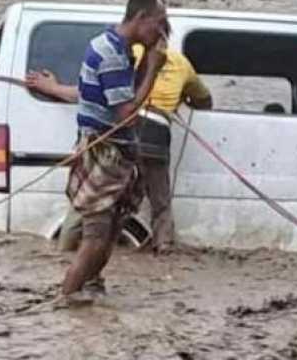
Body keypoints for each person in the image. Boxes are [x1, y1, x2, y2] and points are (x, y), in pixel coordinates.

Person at [27, 20, 212, 256]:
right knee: (160, 202)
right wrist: (183, 99)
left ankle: (65, 250)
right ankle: (164, 248)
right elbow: (205, 101)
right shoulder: (182, 64)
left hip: (122, 136)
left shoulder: (127, 55)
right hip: (156, 137)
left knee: (89, 200)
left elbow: (88, 93)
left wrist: (53, 88)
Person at [55, 0, 167, 301]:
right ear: (141, 17)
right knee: (95, 238)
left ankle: (88, 293)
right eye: (158, 23)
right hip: (104, 155)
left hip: (118, 153)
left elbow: (124, 96)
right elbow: (127, 115)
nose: (160, 30)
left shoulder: (120, 49)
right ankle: (66, 299)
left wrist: (147, 60)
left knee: (110, 233)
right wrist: (154, 69)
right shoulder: (111, 54)